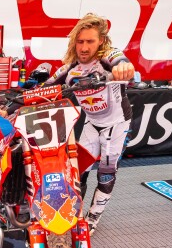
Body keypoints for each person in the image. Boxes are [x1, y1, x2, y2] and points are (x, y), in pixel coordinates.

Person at [43, 13, 135, 235]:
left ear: (101, 41)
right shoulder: (69, 68)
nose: (84, 47)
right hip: (91, 125)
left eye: (90, 41)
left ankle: (93, 216)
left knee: (106, 172)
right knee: (76, 170)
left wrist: (124, 67)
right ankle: (75, 208)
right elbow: (42, 91)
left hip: (117, 125)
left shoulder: (108, 58)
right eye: (80, 41)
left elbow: (121, 61)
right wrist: (8, 106)